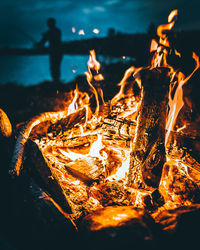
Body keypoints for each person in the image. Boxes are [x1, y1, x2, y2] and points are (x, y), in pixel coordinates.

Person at [38, 18, 63, 82]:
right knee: (56, 67)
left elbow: (43, 42)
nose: (48, 25)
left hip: (55, 52)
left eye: (49, 23)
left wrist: (39, 44)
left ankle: (56, 81)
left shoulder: (50, 32)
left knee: (54, 67)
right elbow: (43, 41)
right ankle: (57, 80)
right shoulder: (57, 31)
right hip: (58, 52)